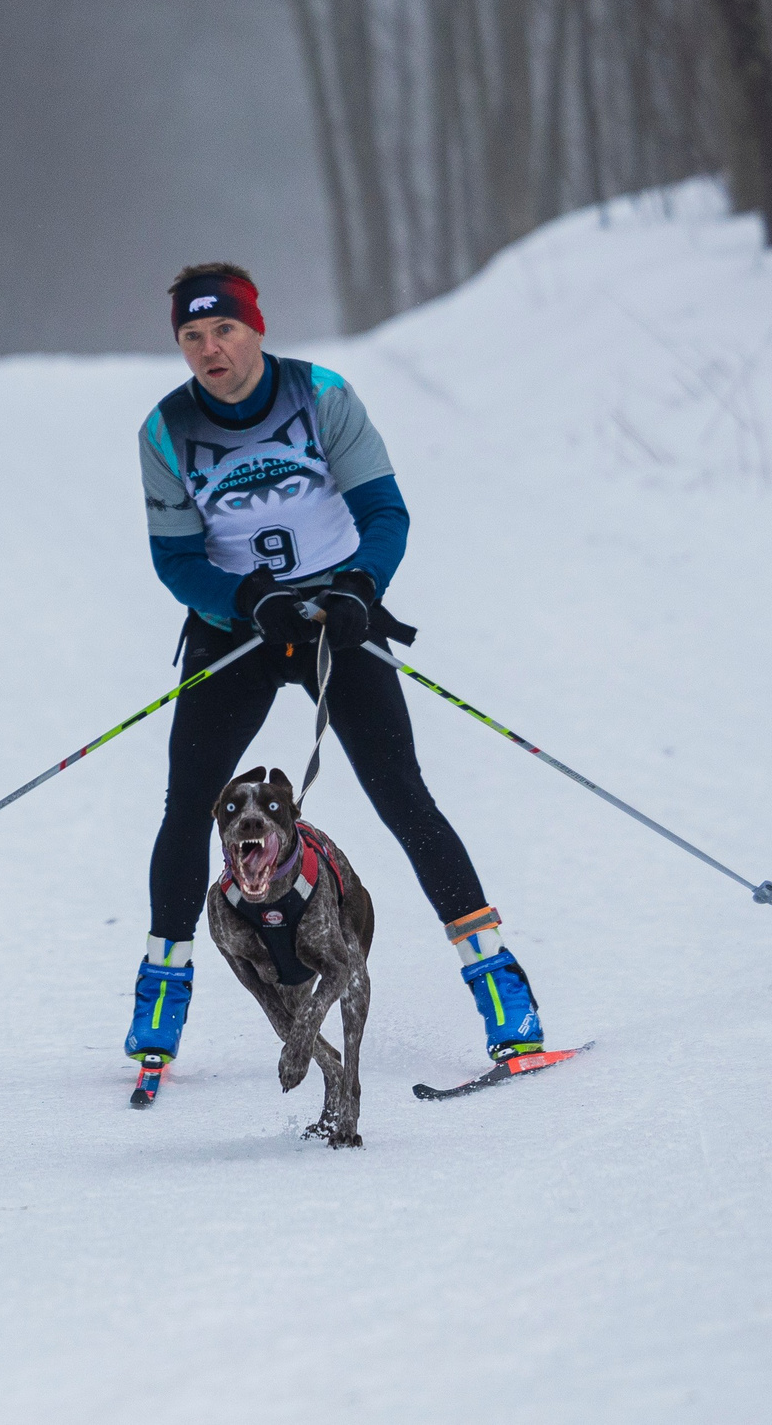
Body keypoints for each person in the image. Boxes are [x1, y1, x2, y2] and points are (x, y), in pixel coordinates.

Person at [126, 262, 544, 1072]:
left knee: (404, 797)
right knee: (187, 808)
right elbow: (176, 558)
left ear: (257, 327)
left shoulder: (321, 395)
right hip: (238, 626)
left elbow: (384, 511)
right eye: (192, 336)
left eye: (225, 330)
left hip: (332, 618)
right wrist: (247, 600)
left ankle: (500, 990)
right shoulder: (165, 430)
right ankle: (160, 999)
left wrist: (359, 587)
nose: (211, 350)